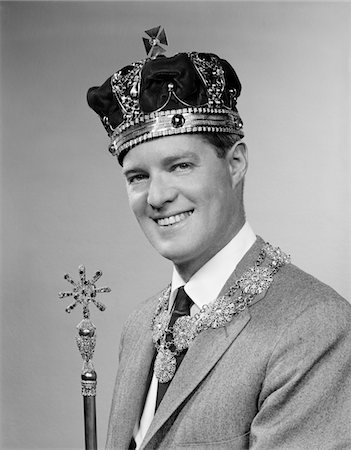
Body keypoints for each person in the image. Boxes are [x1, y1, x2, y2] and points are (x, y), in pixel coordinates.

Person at [87, 27, 351, 450]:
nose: (157, 196)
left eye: (180, 166)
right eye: (138, 176)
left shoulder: (313, 328)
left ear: (235, 163)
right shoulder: (138, 328)